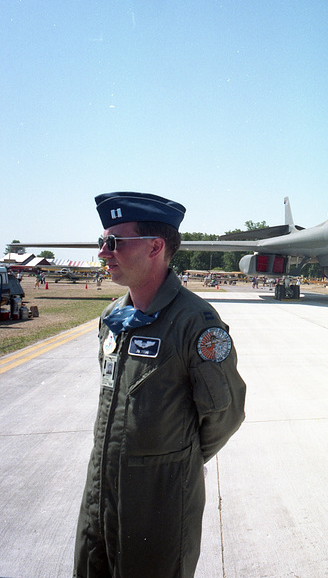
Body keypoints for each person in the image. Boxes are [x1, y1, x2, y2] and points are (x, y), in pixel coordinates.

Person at [73, 191, 246, 578]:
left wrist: (171, 463)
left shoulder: (195, 323)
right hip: (99, 499)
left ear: (155, 246)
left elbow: (224, 414)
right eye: (102, 241)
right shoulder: (112, 318)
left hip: (159, 506)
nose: (103, 252)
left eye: (114, 242)